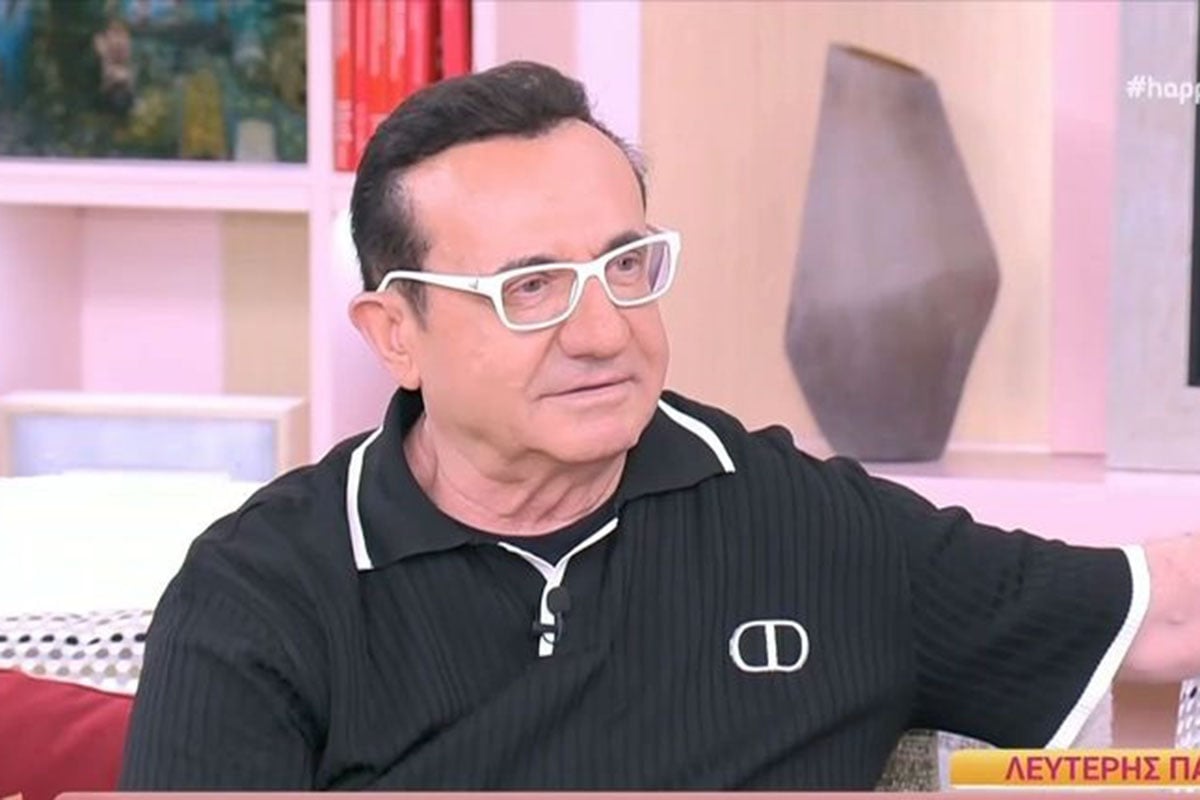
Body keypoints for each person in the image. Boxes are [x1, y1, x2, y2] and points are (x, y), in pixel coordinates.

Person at [119, 60, 1199, 790]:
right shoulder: (262, 594)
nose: (603, 332)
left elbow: (1155, 615)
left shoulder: (813, 526)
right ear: (395, 332)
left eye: (626, 265)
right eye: (532, 287)